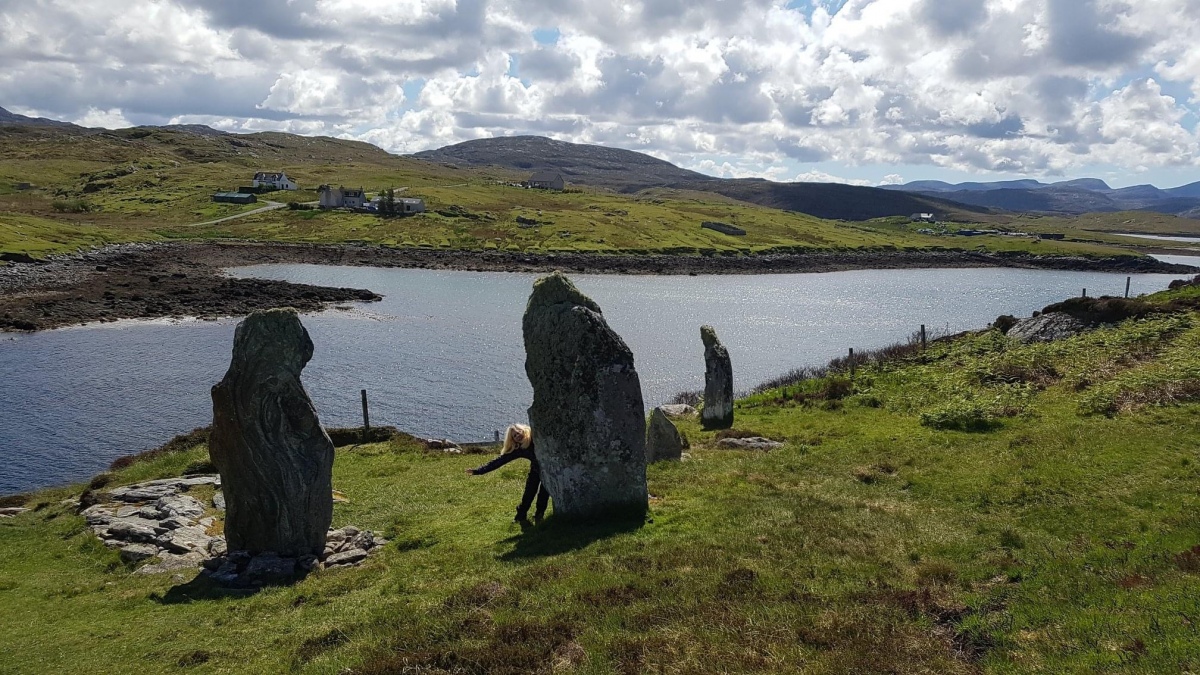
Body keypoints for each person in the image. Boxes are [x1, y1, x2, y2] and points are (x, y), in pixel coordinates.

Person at [466, 423, 550, 523]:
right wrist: (478, 471)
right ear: (512, 439)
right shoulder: (518, 449)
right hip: (536, 470)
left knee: (544, 494)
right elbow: (499, 462)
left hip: (550, 470)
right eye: (514, 436)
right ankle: (520, 517)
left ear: (524, 430)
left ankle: (539, 515)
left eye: (518, 433)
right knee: (528, 493)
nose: (517, 436)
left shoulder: (535, 437)